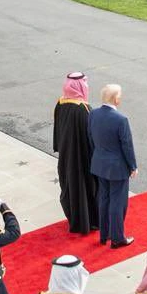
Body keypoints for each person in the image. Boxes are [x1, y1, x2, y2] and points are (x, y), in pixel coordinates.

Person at [89, 83, 136, 247]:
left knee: (104, 199)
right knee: (118, 202)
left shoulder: (93, 114)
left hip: (99, 164)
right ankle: (117, 238)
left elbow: (91, 138)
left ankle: (105, 234)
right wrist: (133, 166)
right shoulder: (121, 120)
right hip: (117, 168)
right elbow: (127, 146)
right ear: (116, 99)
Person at [52, 72, 98, 235]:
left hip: (66, 156)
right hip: (83, 158)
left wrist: (60, 147)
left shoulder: (60, 103)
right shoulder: (83, 109)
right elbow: (91, 138)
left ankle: (75, 220)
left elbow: (57, 128)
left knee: (70, 187)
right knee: (86, 189)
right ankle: (89, 222)